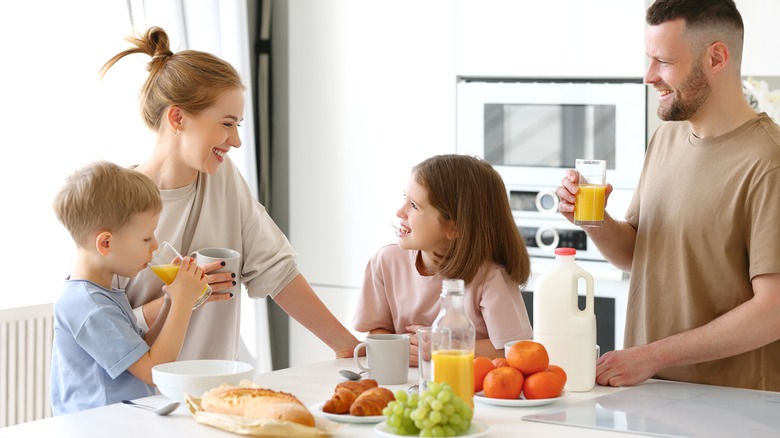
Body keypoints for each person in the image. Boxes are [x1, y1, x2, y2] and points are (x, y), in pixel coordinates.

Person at [556, 0, 780, 391]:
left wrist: (652, 354)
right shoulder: (666, 138)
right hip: (647, 392)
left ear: (716, 57)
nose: (648, 76)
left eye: (663, 62)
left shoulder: (768, 161)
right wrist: (592, 219)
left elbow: (773, 310)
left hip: (731, 409)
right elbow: (638, 255)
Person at [100, 27, 359, 361]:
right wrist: (182, 295)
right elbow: (99, 329)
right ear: (177, 117)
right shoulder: (112, 200)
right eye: (226, 123)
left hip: (217, 388)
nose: (236, 140)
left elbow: (277, 272)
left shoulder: (222, 179)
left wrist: (349, 347)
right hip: (142, 398)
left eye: (238, 125)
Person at [50, 161, 208, 414]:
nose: (155, 245)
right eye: (146, 238)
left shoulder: (100, 293)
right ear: (106, 243)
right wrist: (183, 303)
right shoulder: (90, 306)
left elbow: (143, 353)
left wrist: (170, 300)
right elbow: (154, 372)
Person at [353, 154, 534, 365]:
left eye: (414, 205)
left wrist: (443, 347)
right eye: (405, 198)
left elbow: (513, 349)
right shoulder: (387, 261)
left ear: (453, 227)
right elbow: (376, 330)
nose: (400, 212)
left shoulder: (489, 276)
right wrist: (400, 346)